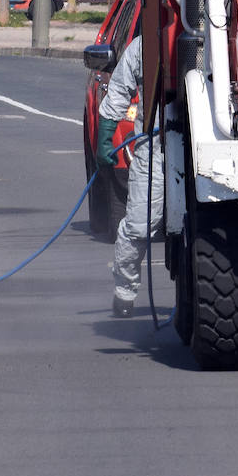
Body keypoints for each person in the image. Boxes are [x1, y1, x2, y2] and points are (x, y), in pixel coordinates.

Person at [96, 35, 164, 318]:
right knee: (139, 224)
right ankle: (124, 293)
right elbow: (120, 90)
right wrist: (105, 137)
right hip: (155, 148)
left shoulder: (221, 34)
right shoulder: (145, 44)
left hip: (206, 150)